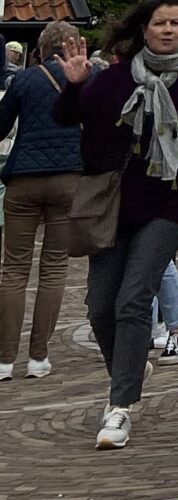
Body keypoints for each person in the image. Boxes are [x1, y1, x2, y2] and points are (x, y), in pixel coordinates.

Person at [49, 0, 178, 450]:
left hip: (170, 206)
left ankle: (119, 407)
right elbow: (68, 117)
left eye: (176, 23)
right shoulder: (116, 78)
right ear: (144, 28)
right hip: (114, 206)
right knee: (100, 307)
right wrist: (74, 83)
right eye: (159, 22)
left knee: (133, 297)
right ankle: (129, 369)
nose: (167, 30)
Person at [0, 20, 85, 385]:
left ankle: (4, 361)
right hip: (69, 179)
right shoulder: (86, 79)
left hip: (23, 182)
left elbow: (1, 128)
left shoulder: (24, 80)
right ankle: (39, 357)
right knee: (53, 269)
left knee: (14, 270)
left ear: (41, 48)